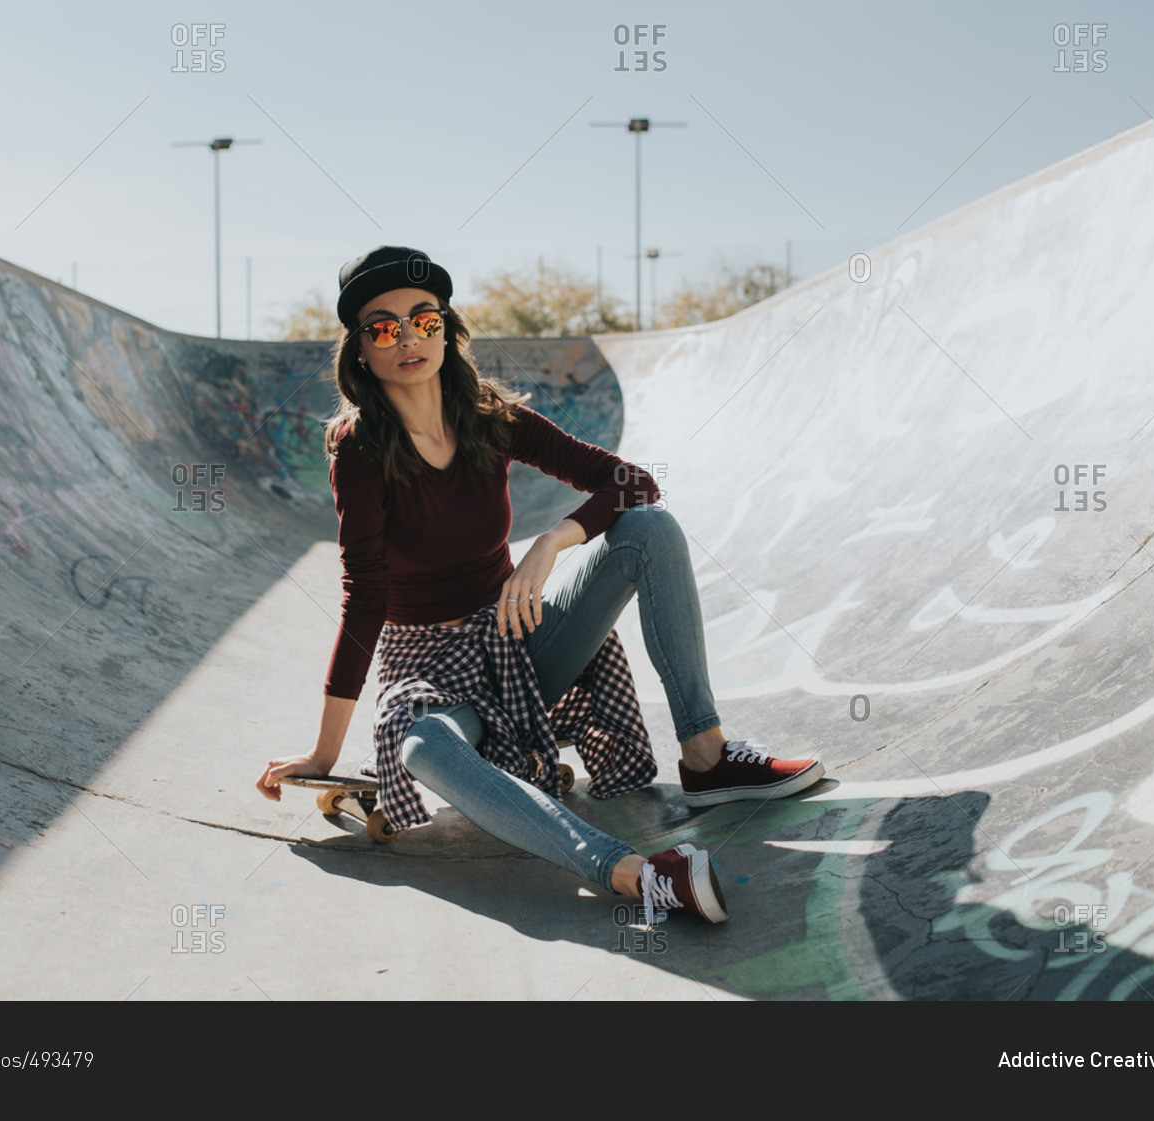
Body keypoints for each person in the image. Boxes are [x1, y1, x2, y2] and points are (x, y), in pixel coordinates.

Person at [255, 246, 823, 924]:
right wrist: (324, 750)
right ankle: (634, 873)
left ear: (447, 327)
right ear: (361, 350)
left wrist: (553, 542)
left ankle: (707, 755)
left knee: (650, 529)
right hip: (431, 668)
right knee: (421, 746)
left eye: (423, 319)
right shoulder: (360, 446)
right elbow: (364, 596)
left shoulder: (490, 418)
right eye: (383, 327)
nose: (408, 338)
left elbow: (630, 482)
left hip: (519, 641)